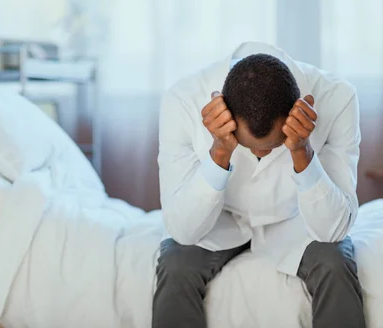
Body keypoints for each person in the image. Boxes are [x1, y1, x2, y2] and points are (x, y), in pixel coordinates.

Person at [153, 42, 365, 328]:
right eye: (248, 146)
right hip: (217, 221)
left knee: (335, 262)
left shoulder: (338, 98)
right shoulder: (182, 100)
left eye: (272, 146)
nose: (261, 154)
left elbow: (334, 231)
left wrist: (301, 151)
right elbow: (182, 230)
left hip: (296, 220)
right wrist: (219, 152)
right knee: (175, 264)